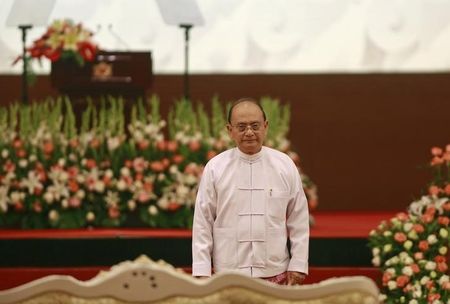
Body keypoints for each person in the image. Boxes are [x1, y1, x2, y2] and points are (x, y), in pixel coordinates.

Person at [192, 97, 309, 285]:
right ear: (230, 130)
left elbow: (299, 218)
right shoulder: (216, 167)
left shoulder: (284, 164)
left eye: (255, 126)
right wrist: (201, 269)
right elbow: (202, 222)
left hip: (275, 271)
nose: (249, 132)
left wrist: (298, 263)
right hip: (228, 273)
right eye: (241, 127)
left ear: (266, 126)